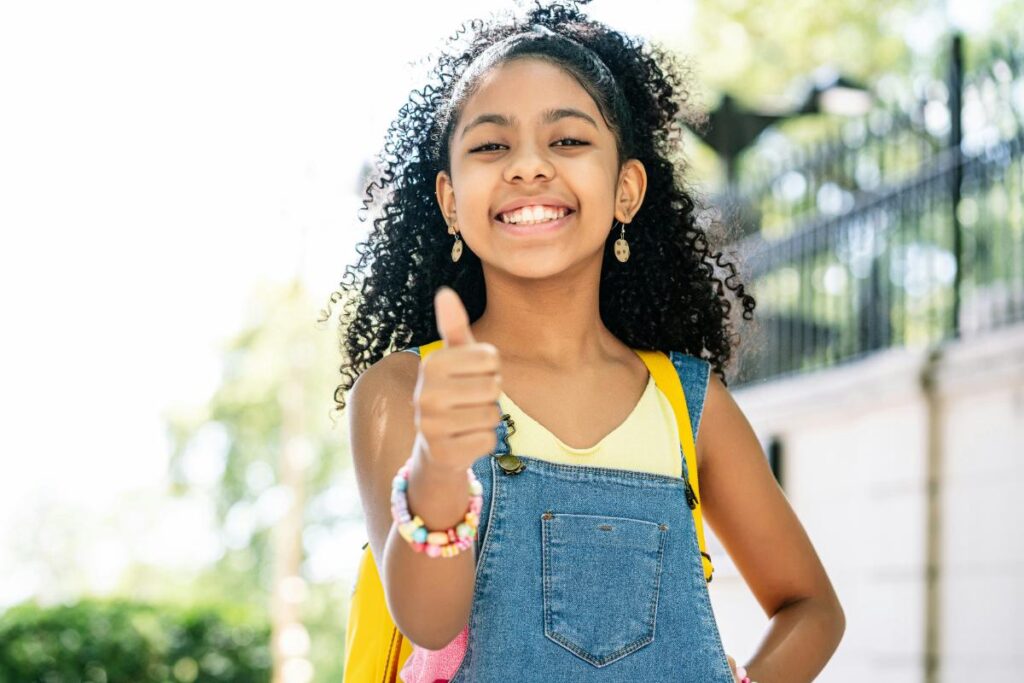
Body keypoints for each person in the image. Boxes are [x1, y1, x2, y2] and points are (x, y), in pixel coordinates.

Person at [328, 1, 846, 680]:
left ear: (627, 189)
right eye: (491, 145)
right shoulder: (402, 392)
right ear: (450, 201)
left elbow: (811, 606)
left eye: (568, 140)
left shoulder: (689, 404)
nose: (528, 166)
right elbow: (428, 620)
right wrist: (440, 465)